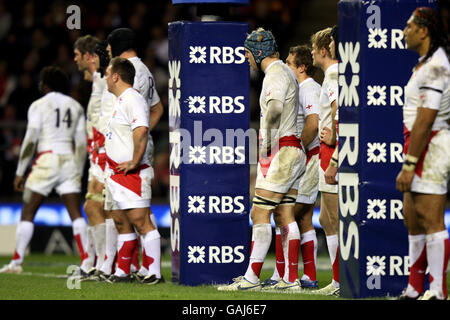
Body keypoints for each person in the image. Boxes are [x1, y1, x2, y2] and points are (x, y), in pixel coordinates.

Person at [218, 28, 306, 291]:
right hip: (292, 149)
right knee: (284, 214)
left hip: (282, 151)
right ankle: (290, 280)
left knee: (259, 212)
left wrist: (266, 141)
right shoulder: (284, 72)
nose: (247, 59)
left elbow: (276, 108)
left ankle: (252, 278)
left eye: (247, 53)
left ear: (257, 52)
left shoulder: (276, 74)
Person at [0, 66, 87, 273]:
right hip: (69, 160)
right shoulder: (75, 106)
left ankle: (17, 262)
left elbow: (30, 140)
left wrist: (20, 171)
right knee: (76, 214)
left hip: (46, 158)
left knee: (28, 212)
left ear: (46, 84)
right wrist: (79, 170)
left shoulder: (39, 105)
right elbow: (82, 144)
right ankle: (86, 261)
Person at [396, 7, 449, 300]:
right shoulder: (424, 64)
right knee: (412, 217)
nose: (404, 32)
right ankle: (416, 288)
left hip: (433, 146)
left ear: (424, 31)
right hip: (420, 145)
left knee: (431, 218)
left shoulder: (435, 67)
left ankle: (438, 291)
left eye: (409, 26)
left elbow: (426, 119)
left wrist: (410, 163)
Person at [106, 27, 164, 281]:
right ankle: (128, 268)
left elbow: (141, 117)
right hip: (127, 157)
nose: (107, 55)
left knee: (140, 216)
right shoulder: (145, 70)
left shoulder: (133, 76)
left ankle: (149, 269)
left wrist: (136, 147)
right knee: (124, 216)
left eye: (109, 50)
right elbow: (158, 108)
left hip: (134, 160)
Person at [263, 44, 321, 290]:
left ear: (302, 67)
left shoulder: (307, 88)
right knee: (304, 217)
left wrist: (300, 148)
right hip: (308, 156)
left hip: (309, 156)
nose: (285, 65)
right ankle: (308, 275)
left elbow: (313, 122)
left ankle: (284, 274)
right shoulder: (301, 86)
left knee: (284, 213)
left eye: (289, 61)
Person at [310, 27, 340, 296]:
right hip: (327, 153)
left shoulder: (333, 76)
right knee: (328, 220)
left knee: (334, 218)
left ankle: (341, 281)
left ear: (323, 50)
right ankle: (337, 279)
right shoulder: (333, 76)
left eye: (314, 49)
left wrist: (333, 143)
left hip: (332, 156)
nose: (311, 54)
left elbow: (338, 111)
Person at [73, 34, 107, 277]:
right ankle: (95, 262)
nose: (75, 60)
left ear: (88, 56)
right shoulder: (97, 82)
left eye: (77, 55)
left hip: (106, 156)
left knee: (94, 205)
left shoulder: (105, 80)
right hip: (96, 157)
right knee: (94, 207)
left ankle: (104, 263)